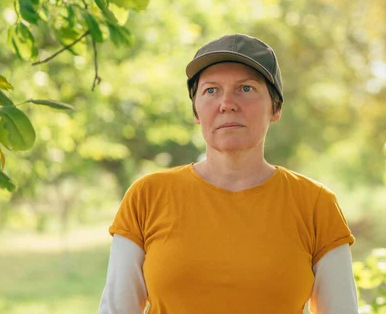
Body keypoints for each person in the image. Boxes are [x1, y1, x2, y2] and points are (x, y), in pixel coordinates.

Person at [98, 34, 359, 314]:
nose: (227, 103)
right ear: (196, 111)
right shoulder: (147, 196)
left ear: (276, 107)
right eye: (211, 90)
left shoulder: (315, 204)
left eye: (245, 89)